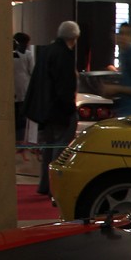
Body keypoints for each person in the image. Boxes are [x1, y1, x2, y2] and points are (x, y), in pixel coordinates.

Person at [24, 20, 81, 196]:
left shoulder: (46, 51)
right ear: (74, 38)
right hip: (59, 109)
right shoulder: (65, 55)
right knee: (61, 147)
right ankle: (55, 186)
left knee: (48, 147)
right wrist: (70, 109)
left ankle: (44, 184)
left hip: (44, 109)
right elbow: (64, 86)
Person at [12, 32, 33, 144]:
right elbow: (32, 70)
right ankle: (21, 140)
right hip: (24, 87)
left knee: (14, 115)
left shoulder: (10, 54)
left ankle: (14, 139)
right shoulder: (28, 55)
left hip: (13, 87)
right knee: (22, 116)